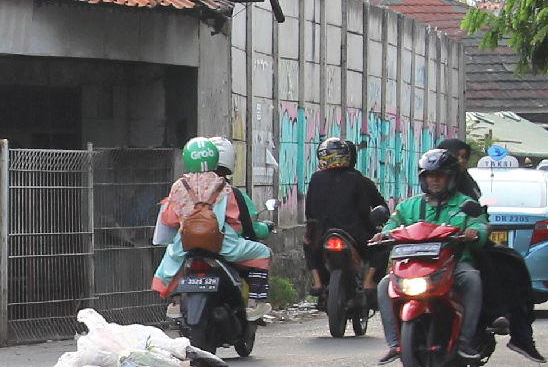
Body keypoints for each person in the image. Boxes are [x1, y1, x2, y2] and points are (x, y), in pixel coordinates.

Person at [378, 147, 489, 361]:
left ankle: (465, 340)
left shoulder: (465, 204)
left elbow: (480, 224)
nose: (435, 180)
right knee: (384, 285)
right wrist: (382, 235)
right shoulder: (409, 206)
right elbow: (392, 224)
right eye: (430, 175)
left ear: (451, 178)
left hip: (452, 264)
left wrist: (475, 232)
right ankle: (394, 343)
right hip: (413, 267)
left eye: (440, 175)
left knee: (472, 279)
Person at [151, 138, 272, 312]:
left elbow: (169, 219)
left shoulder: (179, 186)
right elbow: (235, 221)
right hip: (222, 244)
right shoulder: (222, 186)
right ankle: (255, 304)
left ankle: (176, 303)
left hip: (186, 244)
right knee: (263, 252)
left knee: (172, 262)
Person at [302, 136, 390, 320]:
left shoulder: (316, 179)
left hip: (322, 234)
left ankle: (317, 282)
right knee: (381, 245)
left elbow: (309, 211)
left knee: (308, 245)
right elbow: (367, 211)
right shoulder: (359, 179)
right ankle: (369, 282)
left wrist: (311, 232)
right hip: (356, 234)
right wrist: (373, 226)